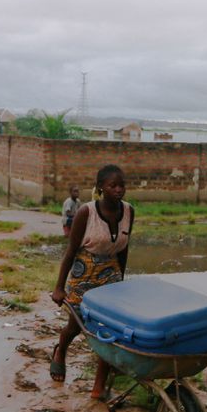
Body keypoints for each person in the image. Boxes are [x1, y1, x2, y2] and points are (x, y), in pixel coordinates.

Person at [50, 164, 133, 399]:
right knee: (75, 326)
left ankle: (98, 386)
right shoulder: (86, 212)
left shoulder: (129, 211)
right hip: (84, 271)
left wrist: (122, 281)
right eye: (112, 185)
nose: (118, 190)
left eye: (121, 185)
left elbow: (124, 249)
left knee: (110, 331)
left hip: (111, 273)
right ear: (101, 188)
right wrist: (59, 287)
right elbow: (70, 251)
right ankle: (61, 351)